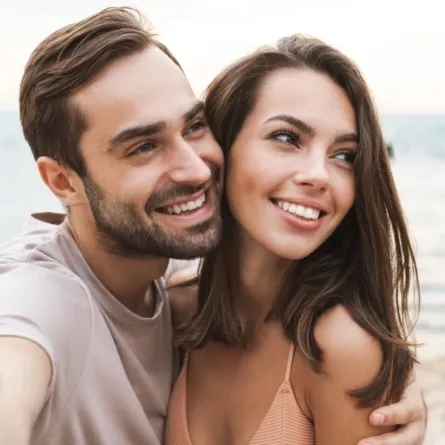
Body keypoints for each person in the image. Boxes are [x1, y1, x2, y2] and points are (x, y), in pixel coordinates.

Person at [0, 7, 425, 445]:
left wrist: (381, 368)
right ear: (62, 181)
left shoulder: (329, 343)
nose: (193, 168)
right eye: (144, 146)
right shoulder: (138, 306)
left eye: (194, 127)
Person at [165, 35, 423, 445]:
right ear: (220, 149)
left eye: (345, 156)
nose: (319, 175)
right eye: (287, 138)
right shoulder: (175, 314)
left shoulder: (340, 348)